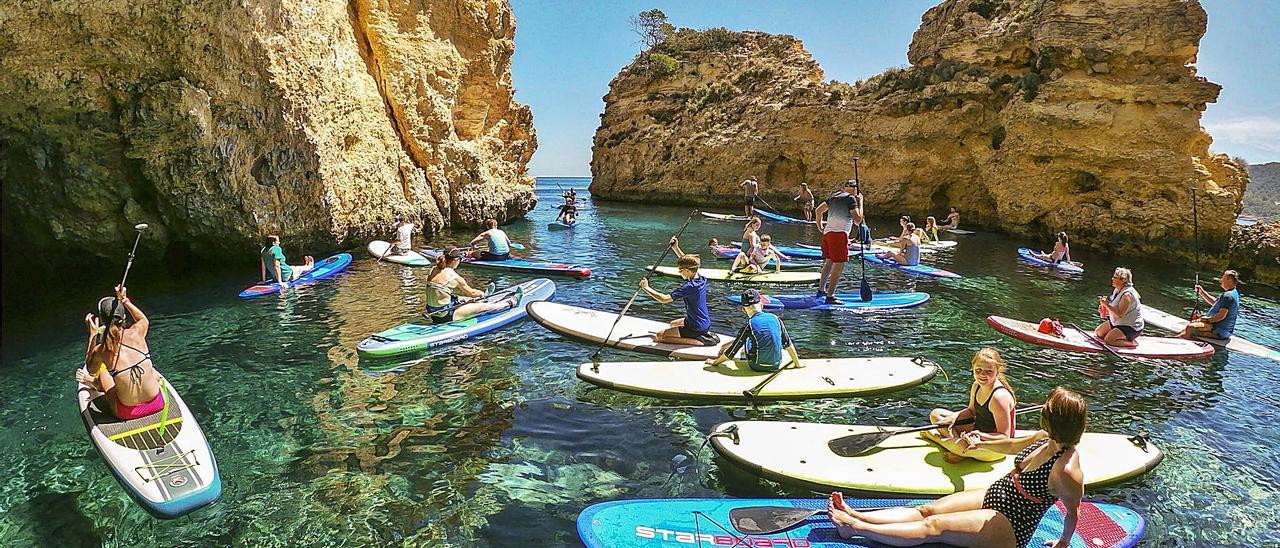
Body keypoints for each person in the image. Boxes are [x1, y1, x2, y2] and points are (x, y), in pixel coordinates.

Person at [825, 387, 1087, 548]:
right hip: (996, 494)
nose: (1043, 407)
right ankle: (858, 516)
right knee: (927, 510)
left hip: (1010, 524)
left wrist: (1063, 543)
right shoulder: (1044, 437)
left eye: (1047, 407)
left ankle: (856, 529)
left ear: (1056, 419)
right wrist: (980, 442)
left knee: (935, 527)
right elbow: (1010, 446)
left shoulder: (1066, 471)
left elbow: (1072, 512)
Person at [76, 285, 164, 420]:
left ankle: (94, 384)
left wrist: (93, 336)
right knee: (152, 371)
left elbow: (91, 369)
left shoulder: (102, 349)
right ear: (123, 318)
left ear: (103, 322)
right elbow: (143, 320)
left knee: (103, 373)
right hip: (158, 403)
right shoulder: (137, 332)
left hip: (127, 413)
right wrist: (124, 300)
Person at [924, 348, 1017, 463]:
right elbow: (971, 412)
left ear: (997, 372)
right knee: (936, 414)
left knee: (960, 445)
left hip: (996, 447)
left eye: (989, 371)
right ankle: (961, 449)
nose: (982, 375)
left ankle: (938, 439)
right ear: (972, 369)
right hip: (977, 430)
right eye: (978, 370)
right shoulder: (976, 386)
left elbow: (1004, 437)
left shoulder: (999, 397)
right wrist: (953, 418)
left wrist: (980, 435)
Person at [638, 238, 717, 346]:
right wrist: (676, 248)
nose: (679, 272)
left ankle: (697, 341)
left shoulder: (689, 287)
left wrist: (646, 288)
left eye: (680, 270)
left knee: (659, 336)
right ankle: (700, 333)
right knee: (672, 324)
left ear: (687, 271)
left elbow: (664, 299)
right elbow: (690, 262)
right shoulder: (701, 278)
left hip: (696, 327)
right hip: (704, 322)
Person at [706, 289, 802, 372]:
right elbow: (788, 344)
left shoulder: (749, 325)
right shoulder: (776, 318)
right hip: (776, 364)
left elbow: (732, 352)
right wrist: (797, 364)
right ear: (762, 305)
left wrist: (715, 362)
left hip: (756, 366)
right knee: (759, 336)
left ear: (743, 309)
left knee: (747, 339)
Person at [423, 247, 521, 324]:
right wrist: (481, 293)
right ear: (455, 260)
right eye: (460, 259)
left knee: (462, 298)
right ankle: (511, 302)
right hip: (446, 316)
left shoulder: (433, 270)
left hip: (433, 313)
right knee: (482, 307)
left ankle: (484, 297)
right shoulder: (454, 277)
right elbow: (472, 293)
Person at [813, 180, 861, 304]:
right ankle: (830, 296)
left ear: (845, 187)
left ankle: (821, 290)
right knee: (838, 265)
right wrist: (861, 203)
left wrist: (820, 226)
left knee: (828, 262)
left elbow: (818, 211)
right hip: (839, 235)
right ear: (855, 189)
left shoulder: (834, 197)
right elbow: (858, 220)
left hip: (827, 234)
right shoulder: (851, 199)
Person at [1180, 269, 1241, 340]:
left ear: (1229, 280)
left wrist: (1207, 320)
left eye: (1223, 278)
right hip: (1222, 330)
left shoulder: (1228, 296)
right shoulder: (1233, 292)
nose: (1221, 280)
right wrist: (1202, 292)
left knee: (1190, 328)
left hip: (1219, 330)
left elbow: (1221, 316)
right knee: (1187, 329)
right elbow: (1215, 303)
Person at [1095, 267, 1144, 347]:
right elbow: (1114, 308)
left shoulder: (1127, 295)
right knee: (1099, 333)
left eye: (1115, 277)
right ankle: (1119, 335)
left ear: (1122, 280)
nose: (1112, 278)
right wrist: (1105, 308)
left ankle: (1132, 343)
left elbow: (1120, 314)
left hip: (1130, 326)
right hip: (1117, 322)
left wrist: (1106, 305)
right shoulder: (1117, 290)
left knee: (1109, 340)